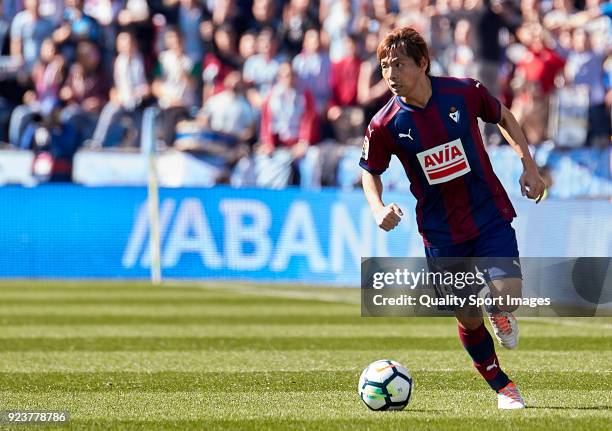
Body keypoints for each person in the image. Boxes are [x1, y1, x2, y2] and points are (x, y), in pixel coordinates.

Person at [360, 27, 545, 409]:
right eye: (384, 66)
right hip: (441, 232)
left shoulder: (463, 91)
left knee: (508, 294)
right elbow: (369, 169)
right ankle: (503, 387)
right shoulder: (384, 124)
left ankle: (501, 309)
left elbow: (504, 116)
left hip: (487, 213)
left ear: (423, 63)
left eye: (399, 64)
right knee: (466, 314)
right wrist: (377, 208)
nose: (391, 74)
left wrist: (529, 166)